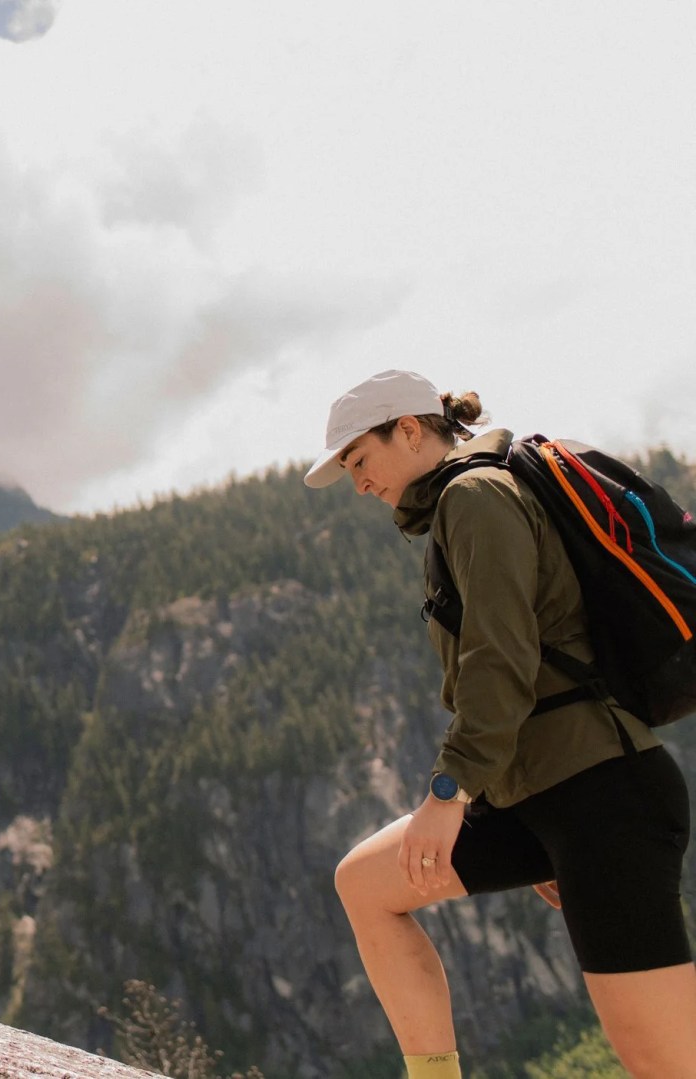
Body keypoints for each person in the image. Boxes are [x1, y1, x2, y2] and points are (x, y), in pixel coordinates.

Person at [312, 370, 696, 1078]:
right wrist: (522, 817)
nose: (359, 484)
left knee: (664, 1062)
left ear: (409, 429)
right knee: (366, 885)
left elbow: (501, 662)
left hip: (605, 799)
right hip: (549, 795)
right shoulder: (464, 502)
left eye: (360, 460)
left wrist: (448, 794)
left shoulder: (474, 495)